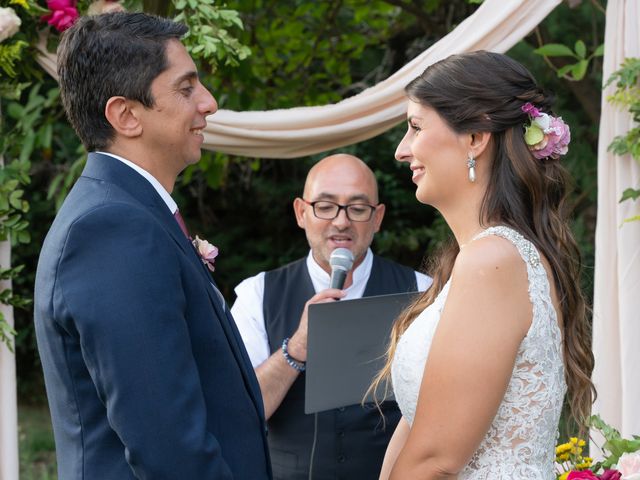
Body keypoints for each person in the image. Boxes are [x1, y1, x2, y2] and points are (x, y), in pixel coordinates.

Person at [34, 12, 271, 480]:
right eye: (186, 89)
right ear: (126, 115)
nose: (209, 103)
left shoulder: (128, 211)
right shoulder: (110, 228)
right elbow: (169, 447)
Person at [372, 51, 595, 479]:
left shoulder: (492, 261)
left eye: (416, 128)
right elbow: (422, 428)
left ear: (475, 136)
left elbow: (437, 458)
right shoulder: (483, 258)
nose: (402, 151)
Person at [231, 153, 432, 480]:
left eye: (357, 208)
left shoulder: (421, 293)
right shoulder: (257, 294)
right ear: (301, 212)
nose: (341, 222)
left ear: (377, 217)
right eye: (325, 206)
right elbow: (240, 412)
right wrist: (296, 347)